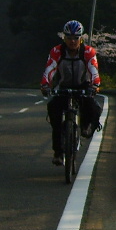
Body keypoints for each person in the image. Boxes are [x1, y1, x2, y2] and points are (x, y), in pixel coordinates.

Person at [40, 20, 102, 165]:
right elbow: (49, 69)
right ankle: (58, 152)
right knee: (54, 110)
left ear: (81, 38)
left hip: (83, 86)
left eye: (76, 38)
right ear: (64, 38)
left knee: (93, 107)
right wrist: (45, 85)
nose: (72, 41)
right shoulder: (57, 51)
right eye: (69, 38)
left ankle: (88, 126)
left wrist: (95, 84)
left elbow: (93, 69)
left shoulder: (87, 52)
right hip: (63, 87)